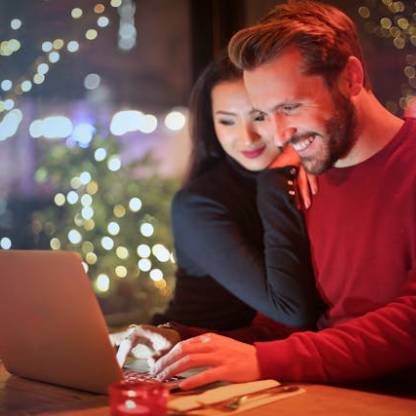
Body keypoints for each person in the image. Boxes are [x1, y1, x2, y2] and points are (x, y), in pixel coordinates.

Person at [134, 0, 416, 389]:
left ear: (351, 78)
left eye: (290, 106)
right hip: (320, 392)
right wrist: (178, 344)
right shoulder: (305, 174)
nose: (279, 135)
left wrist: (265, 359)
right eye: (266, 114)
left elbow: (411, 322)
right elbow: (284, 328)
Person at [111, 55, 324, 361]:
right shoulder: (199, 204)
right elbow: (292, 311)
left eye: (258, 117)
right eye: (226, 120)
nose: (246, 137)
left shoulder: (307, 177)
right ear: (211, 125)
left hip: (254, 361)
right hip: (182, 359)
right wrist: (275, 180)